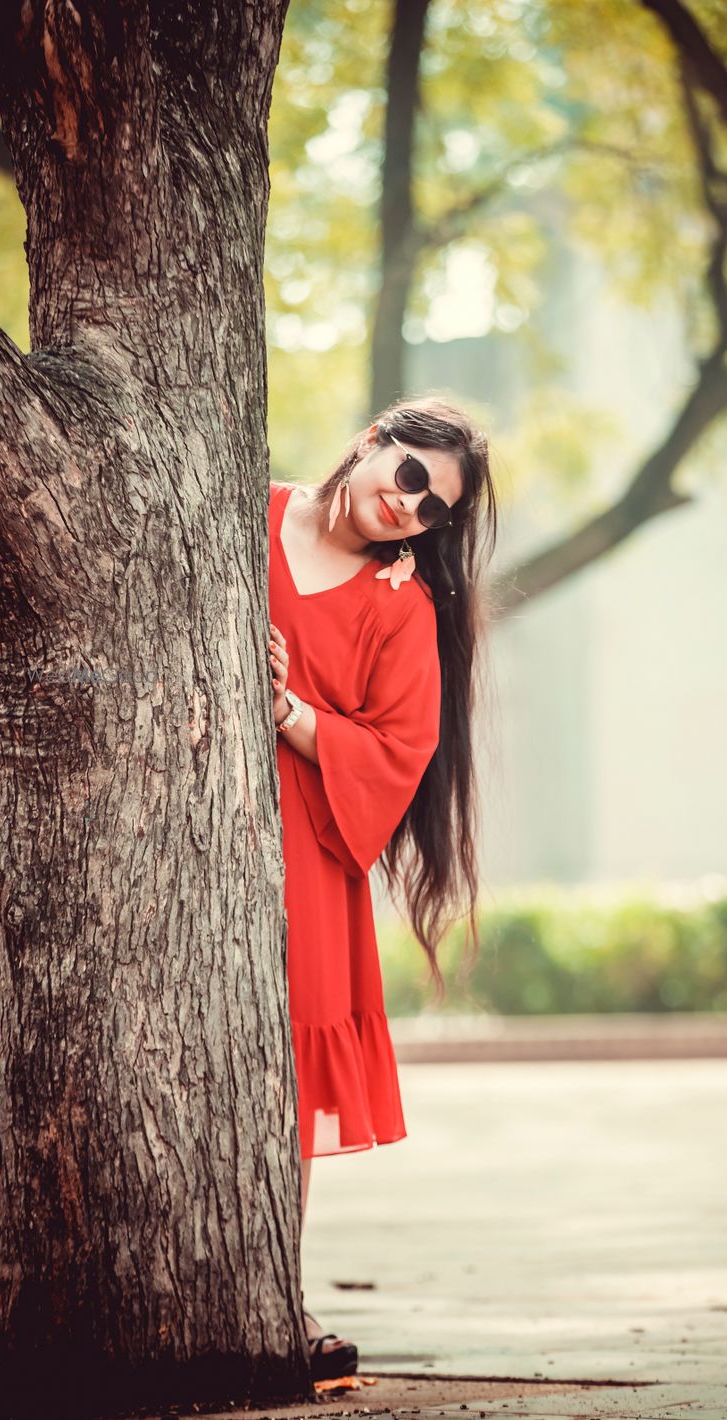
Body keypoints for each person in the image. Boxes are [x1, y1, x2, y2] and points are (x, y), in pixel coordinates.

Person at [266, 396, 498, 1382]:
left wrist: (286, 710)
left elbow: (404, 750)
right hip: (175, 835)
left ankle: (273, 1298)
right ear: (374, 440)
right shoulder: (237, 513)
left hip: (307, 854)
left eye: (434, 510)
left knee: (281, 1085)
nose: (412, 508)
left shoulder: (399, 607)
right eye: (410, 476)